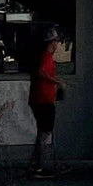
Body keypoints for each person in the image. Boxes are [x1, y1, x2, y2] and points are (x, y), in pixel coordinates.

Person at [28, 26, 65, 177]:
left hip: (42, 99)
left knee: (43, 132)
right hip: (44, 100)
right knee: (45, 132)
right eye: (56, 42)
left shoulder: (44, 56)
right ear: (53, 42)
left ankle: (37, 164)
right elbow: (41, 72)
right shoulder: (46, 56)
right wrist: (56, 81)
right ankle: (42, 165)